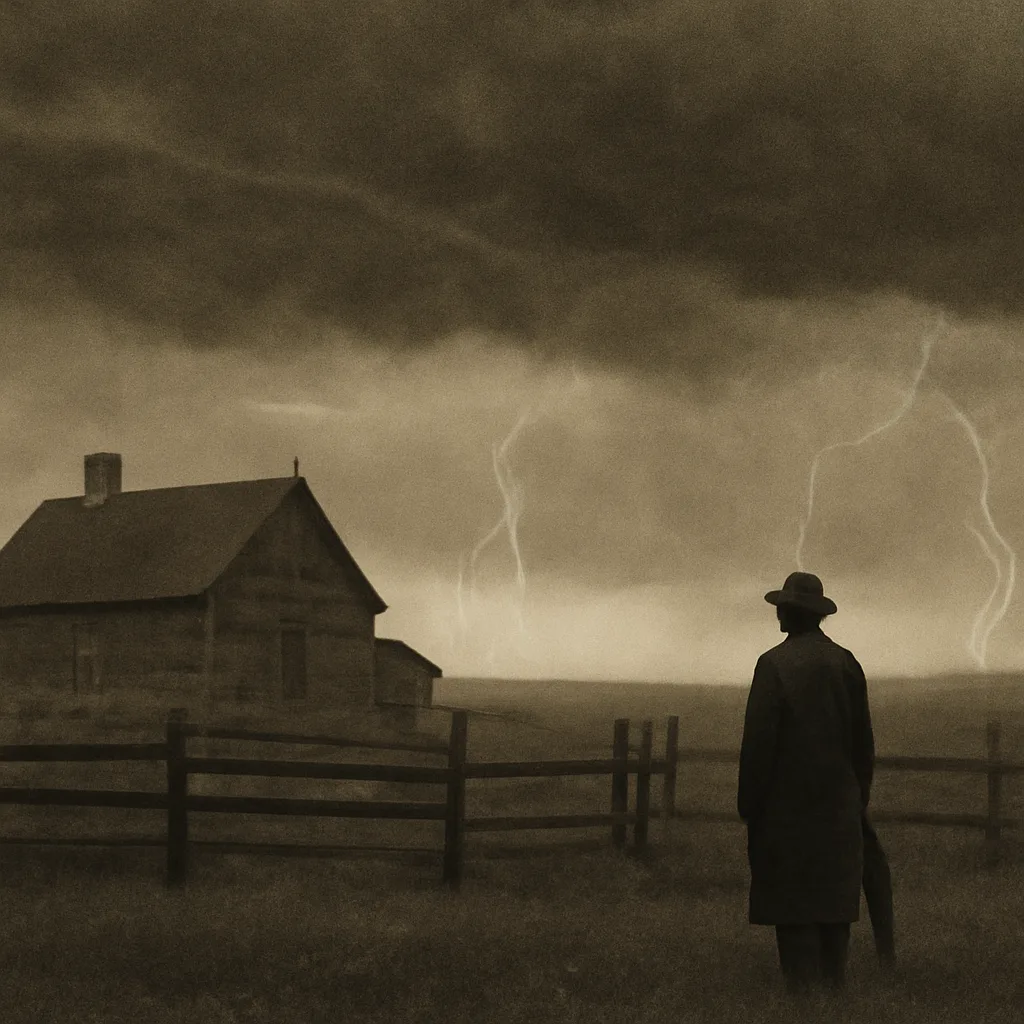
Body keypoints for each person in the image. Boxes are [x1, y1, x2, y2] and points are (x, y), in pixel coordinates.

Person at [738, 571, 876, 995]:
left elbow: (759, 744)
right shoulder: (847, 661)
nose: (778, 612)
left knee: (793, 902)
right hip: (838, 805)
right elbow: (863, 745)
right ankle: (833, 989)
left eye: (782, 606)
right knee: (833, 902)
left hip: (786, 809)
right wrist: (856, 800)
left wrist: (751, 806)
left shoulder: (773, 664)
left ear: (792, 612)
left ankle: (801, 996)